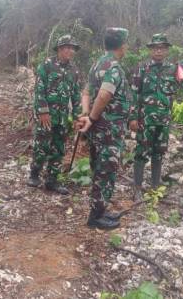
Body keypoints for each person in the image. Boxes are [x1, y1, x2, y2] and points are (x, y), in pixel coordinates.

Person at [128, 33, 183, 199]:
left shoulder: (175, 69)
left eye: (162, 48)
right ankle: (137, 189)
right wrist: (132, 117)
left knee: (158, 153)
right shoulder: (142, 69)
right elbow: (133, 94)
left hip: (163, 121)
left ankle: (155, 187)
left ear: (167, 50)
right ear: (150, 50)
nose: (158, 51)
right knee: (141, 152)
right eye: (155, 48)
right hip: (145, 120)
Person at [76, 28, 131, 230]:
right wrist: (91, 117)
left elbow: (86, 91)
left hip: (98, 130)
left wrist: (85, 114)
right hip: (109, 130)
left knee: (98, 169)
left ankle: (99, 210)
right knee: (105, 171)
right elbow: (104, 95)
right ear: (122, 45)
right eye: (126, 43)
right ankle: (96, 216)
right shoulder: (114, 67)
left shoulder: (97, 64)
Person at [28, 35, 83, 195]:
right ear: (59, 49)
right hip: (47, 116)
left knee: (58, 149)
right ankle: (35, 174)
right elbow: (39, 89)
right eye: (66, 47)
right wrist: (43, 111)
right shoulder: (47, 65)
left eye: (72, 48)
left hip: (62, 117)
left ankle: (52, 180)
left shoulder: (74, 70)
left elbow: (76, 95)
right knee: (42, 145)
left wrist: (77, 116)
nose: (69, 51)